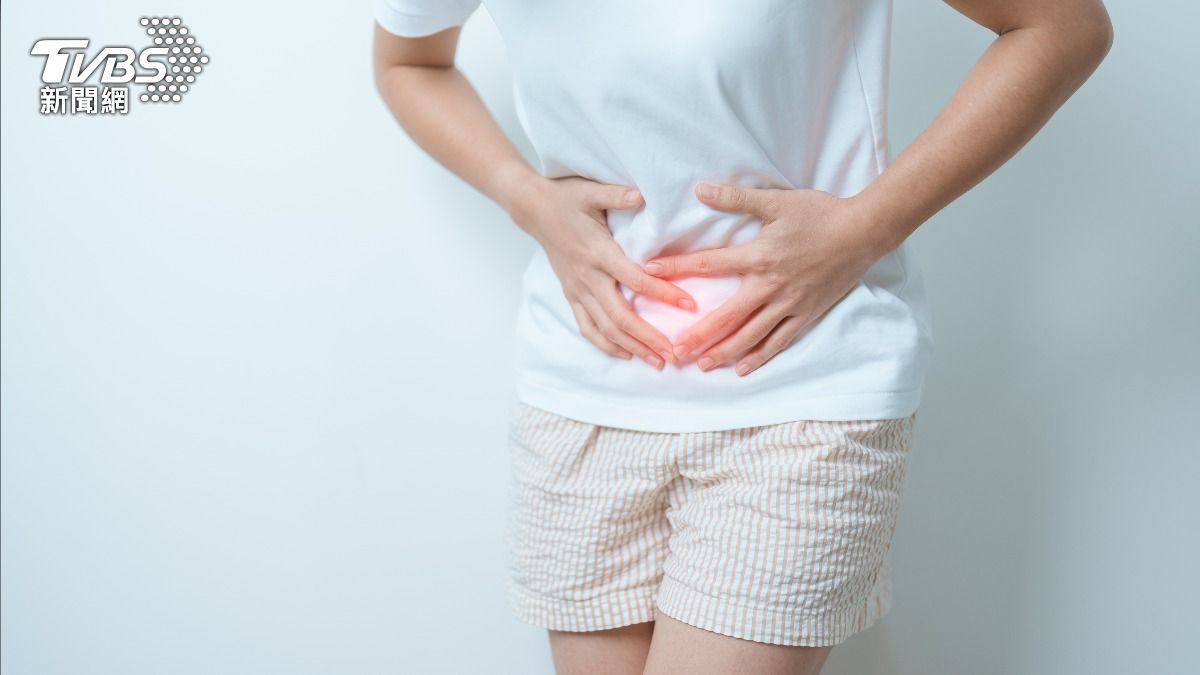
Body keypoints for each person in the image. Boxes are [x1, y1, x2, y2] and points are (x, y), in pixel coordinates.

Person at [372, 0, 1113, 672]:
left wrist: (864, 226)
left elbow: (1062, 25)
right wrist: (525, 196)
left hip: (802, 387)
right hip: (583, 389)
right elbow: (408, 61)